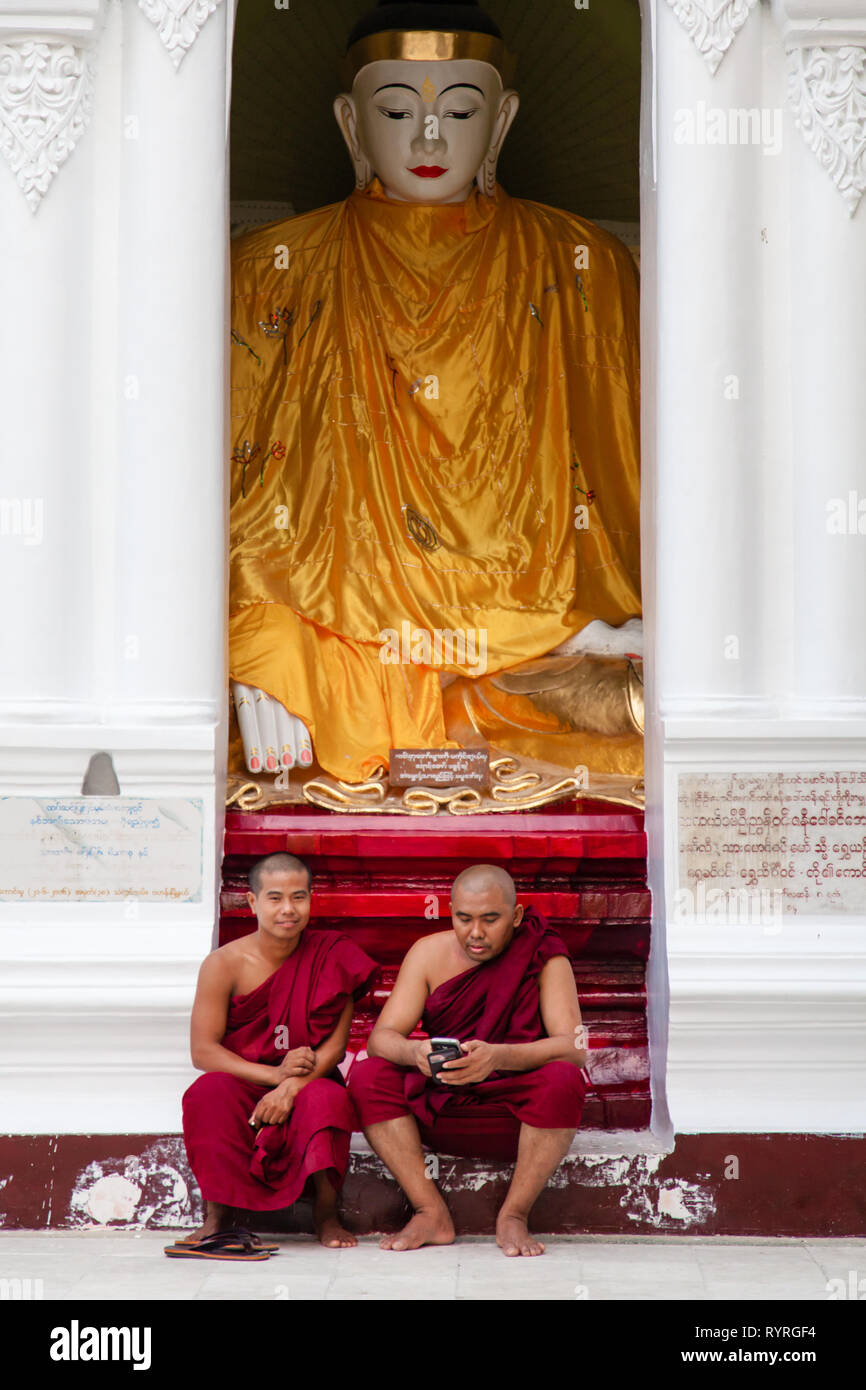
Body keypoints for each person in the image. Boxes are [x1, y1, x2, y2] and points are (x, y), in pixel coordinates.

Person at [229, 0, 642, 784]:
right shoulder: (271, 269)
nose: (428, 137)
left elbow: (619, 497)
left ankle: (475, 694)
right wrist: (257, 650)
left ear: (504, 120)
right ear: (351, 126)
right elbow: (239, 501)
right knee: (245, 682)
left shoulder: (583, 265)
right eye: (395, 110)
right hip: (343, 641)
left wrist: (582, 630)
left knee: (637, 697)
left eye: (459, 109)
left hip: (529, 648)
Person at [347, 863, 588, 1256]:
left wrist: (498, 1057)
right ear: (450, 913)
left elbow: (574, 1047)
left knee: (562, 1080)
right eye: (464, 918)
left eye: (490, 919)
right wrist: (415, 1052)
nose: (475, 933)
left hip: (515, 1114)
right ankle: (430, 1211)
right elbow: (380, 1039)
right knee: (368, 1076)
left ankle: (513, 1215)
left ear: (516, 915)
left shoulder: (544, 956)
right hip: (440, 1104)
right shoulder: (428, 953)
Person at [167, 853, 378, 1260]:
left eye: (298, 897)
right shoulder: (223, 964)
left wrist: (291, 1086)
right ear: (251, 902)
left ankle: (326, 1213)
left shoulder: (334, 956)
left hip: (311, 1078)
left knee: (330, 1099)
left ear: (312, 899)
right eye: (275, 898)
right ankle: (217, 1217)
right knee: (207, 1093)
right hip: (248, 1079)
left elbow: (334, 1049)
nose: (288, 909)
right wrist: (272, 1077)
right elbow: (203, 1051)